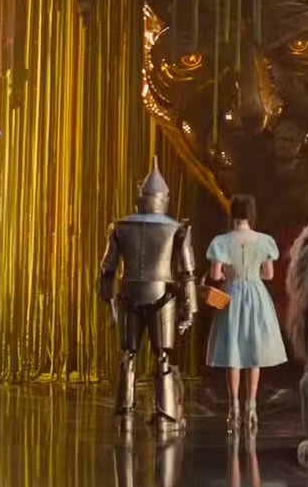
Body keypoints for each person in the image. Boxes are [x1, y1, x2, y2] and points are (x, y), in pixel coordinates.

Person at [97, 157, 198, 434]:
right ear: (164, 198)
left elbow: (106, 269)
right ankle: (165, 415)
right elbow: (188, 273)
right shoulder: (176, 229)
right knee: (162, 356)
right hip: (162, 295)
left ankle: (123, 412)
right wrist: (190, 309)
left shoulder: (121, 227)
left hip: (129, 294)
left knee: (128, 355)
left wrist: (109, 303)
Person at [205, 195, 287, 432]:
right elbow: (269, 274)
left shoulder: (222, 242)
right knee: (254, 351)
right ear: (251, 214)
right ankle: (251, 406)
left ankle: (234, 407)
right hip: (256, 295)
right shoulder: (264, 241)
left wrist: (228, 275)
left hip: (231, 294)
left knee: (234, 351)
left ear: (232, 214)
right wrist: (252, 275)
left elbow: (215, 275)